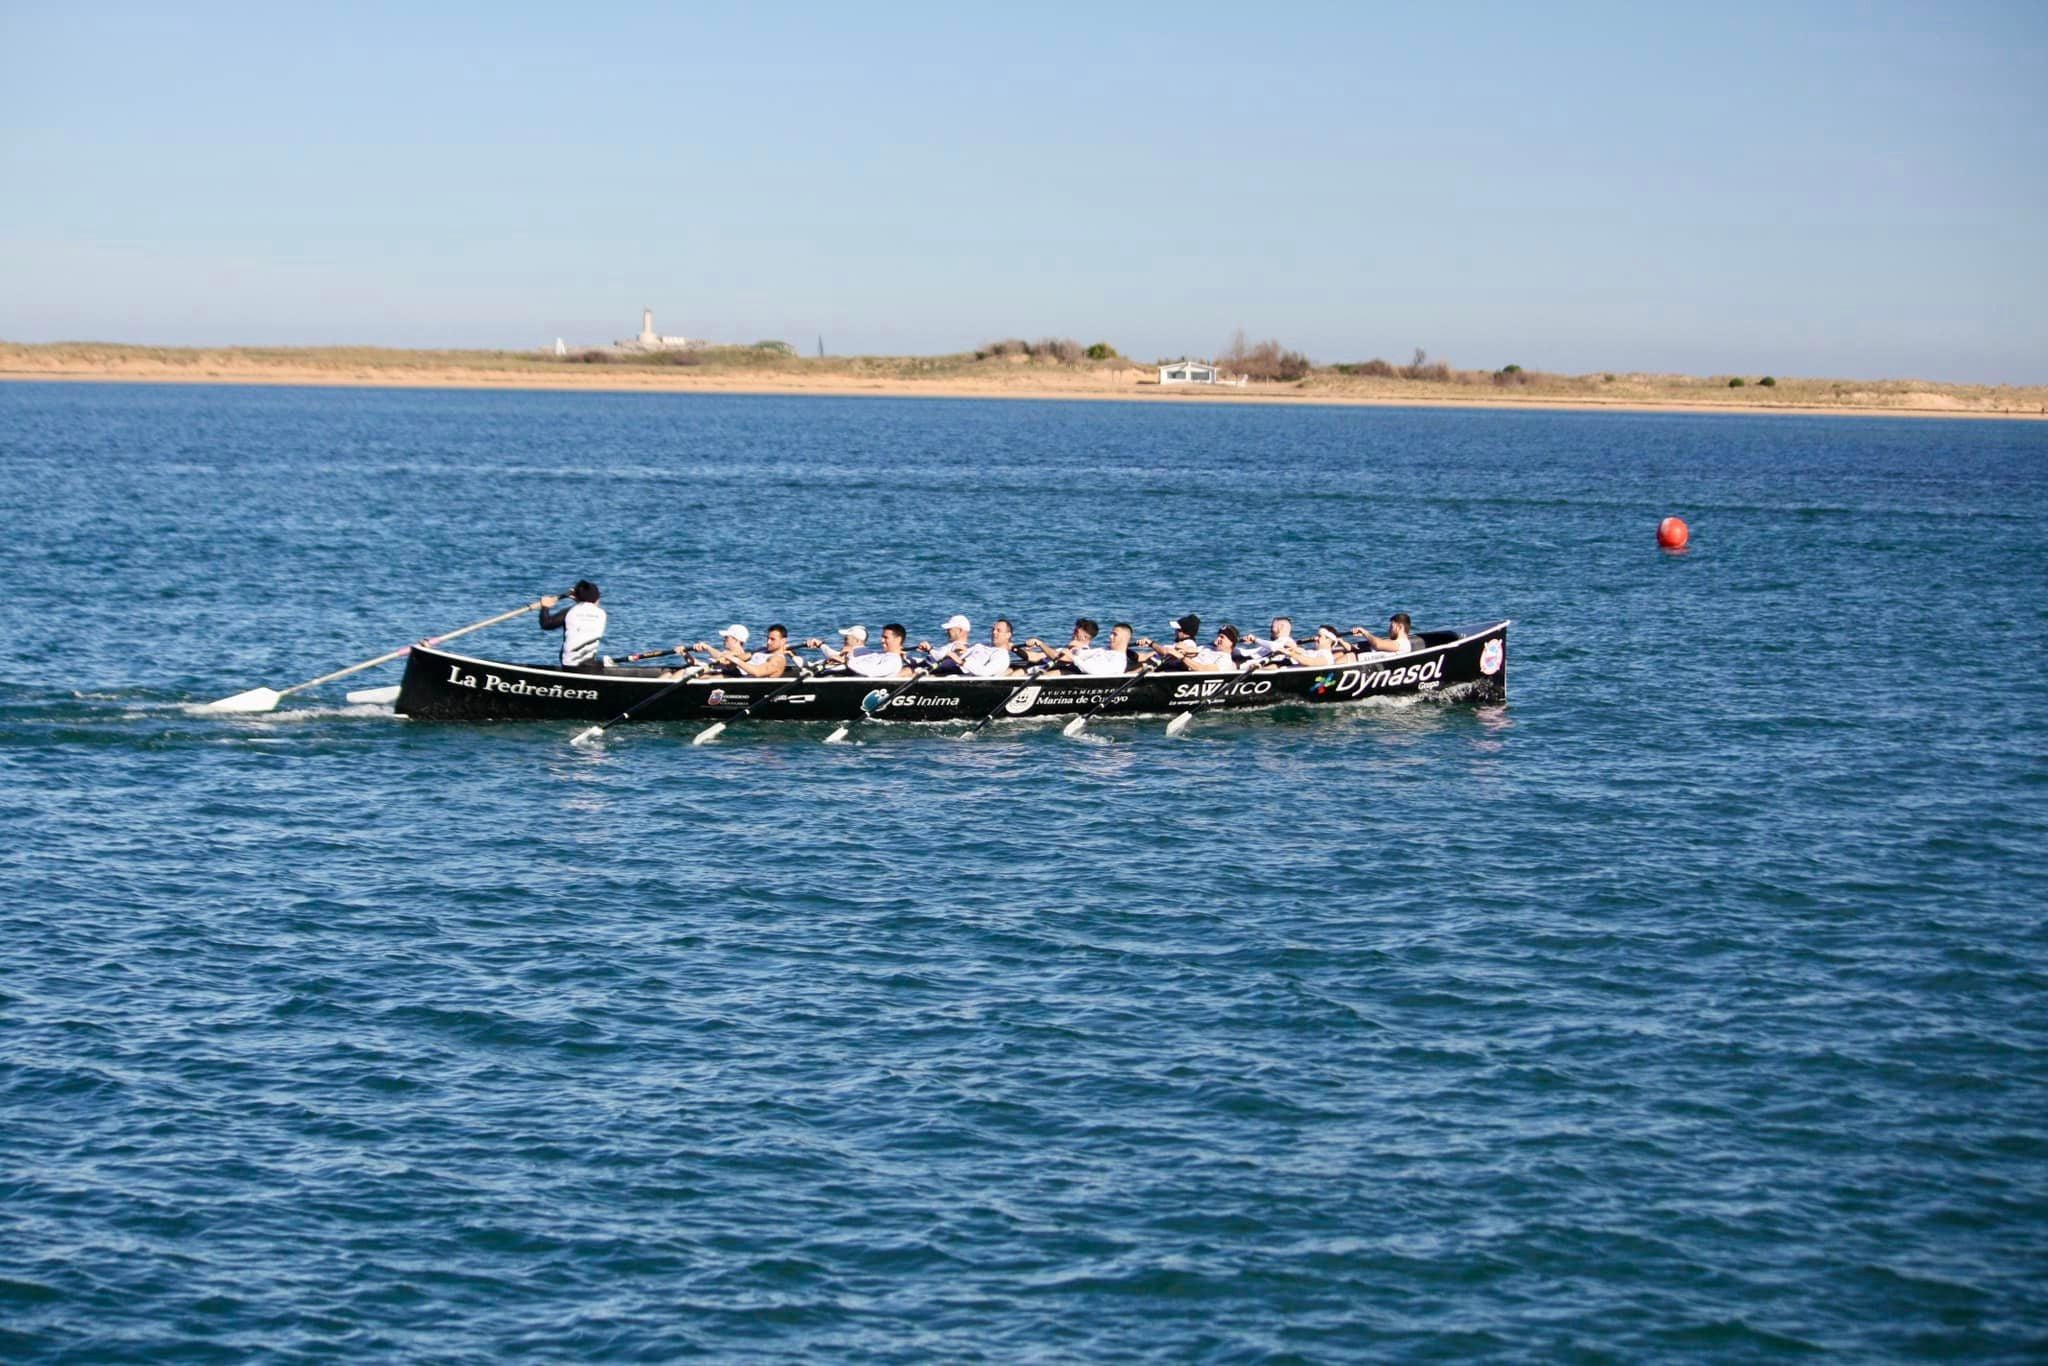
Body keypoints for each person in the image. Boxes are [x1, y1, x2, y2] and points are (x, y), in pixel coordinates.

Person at [538, 580, 606, 672]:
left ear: (577, 596)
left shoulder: (571, 612)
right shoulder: (601, 614)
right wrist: (578, 597)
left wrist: (545, 607)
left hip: (570, 667)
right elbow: (590, 604)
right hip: (590, 667)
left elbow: (546, 624)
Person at [694, 623, 790, 678]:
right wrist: (727, 659)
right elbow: (742, 657)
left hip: (751, 687)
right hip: (739, 677)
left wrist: (734, 659)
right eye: (767, 638)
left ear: (783, 641)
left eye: (772, 639)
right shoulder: (762, 650)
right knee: (701, 676)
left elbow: (758, 672)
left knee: (714, 678)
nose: (768, 642)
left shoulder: (778, 660)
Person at [1024, 618, 1099, 672]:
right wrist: (1016, 649)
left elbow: (1057, 657)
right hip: (1035, 670)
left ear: (1085, 637)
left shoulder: (1082, 652)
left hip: (1042, 674)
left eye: (1076, 631)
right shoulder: (1063, 649)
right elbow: (1034, 656)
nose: (1072, 633)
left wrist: (1040, 643)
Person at [845, 623, 911, 678]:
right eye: (882, 637)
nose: (882, 640)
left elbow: (872, 671)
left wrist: (848, 661)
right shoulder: (878, 654)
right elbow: (858, 661)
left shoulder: (894, 661)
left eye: (885, 638)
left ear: (898, 639)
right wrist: (845, 658)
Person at [1071, 622, 1137, 675]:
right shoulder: (1103, 650)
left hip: (1083, 673)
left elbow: (1094, 670)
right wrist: (1074, 649)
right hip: (1076, 668)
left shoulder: (1119, 660)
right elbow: (1082, 654)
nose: (1110, 637)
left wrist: (1073, 658)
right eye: (1111, 634)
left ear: (1124, 638)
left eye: (1115, 634)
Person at [1351, 612, 1416, 655]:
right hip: (1359, 656)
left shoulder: (1403, 644)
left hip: (1358, 660)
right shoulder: (1394, 642)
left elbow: (1378, 645)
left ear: (1400, 627)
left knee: (1349, 655)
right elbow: (1378, 643)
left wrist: (1365, 633)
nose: (1389, 630)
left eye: (1391, 626)